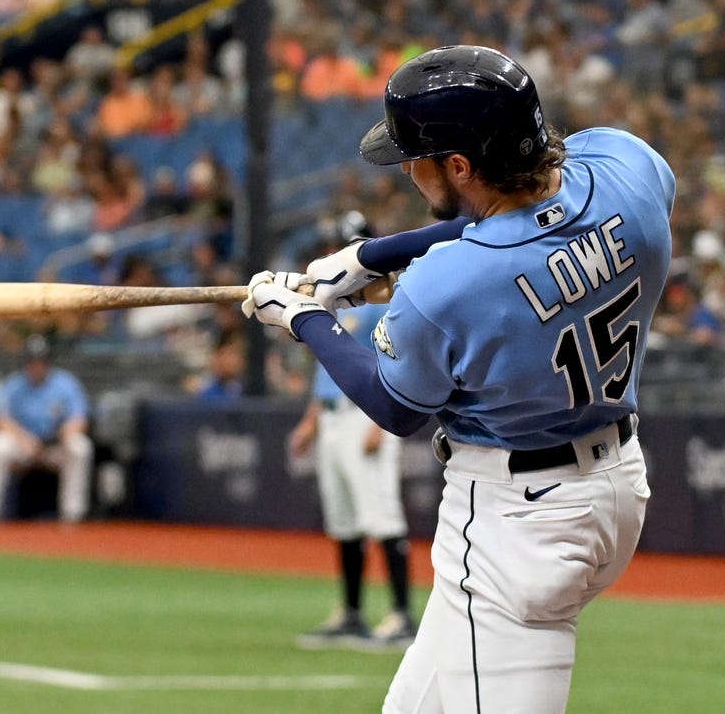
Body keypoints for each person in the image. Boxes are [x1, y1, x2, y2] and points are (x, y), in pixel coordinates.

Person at [241, 45, 674, 713]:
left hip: (518, 523)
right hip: (614, 480)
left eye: (417, 159)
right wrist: (369, 256)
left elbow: (395, 405)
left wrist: (302, 317)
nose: (409, 171)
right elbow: (528, 219)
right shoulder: (628, 167)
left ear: (461, 165)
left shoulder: (445, 288)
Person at [289, 301, 416, 651]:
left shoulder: (381, 303)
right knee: (344, 521)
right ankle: (352, 613)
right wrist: (311, 420)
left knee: (383, 516)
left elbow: (396, 359)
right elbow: (327, 370)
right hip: (331, 415)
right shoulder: (327, 304)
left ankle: (403, 616)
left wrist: (383, 422)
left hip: (365, 414)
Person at [0, 335, 94, 523]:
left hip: (55, 445)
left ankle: (73, 514)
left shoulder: (65, 383)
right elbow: (0, 419)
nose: (36, 366)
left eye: (40, 361)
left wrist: (64, 435)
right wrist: (24, 440)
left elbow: (79, 420)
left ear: (48, 362)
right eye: (31, 361)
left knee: (80, 447)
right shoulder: (15, 384)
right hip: (25, 446)